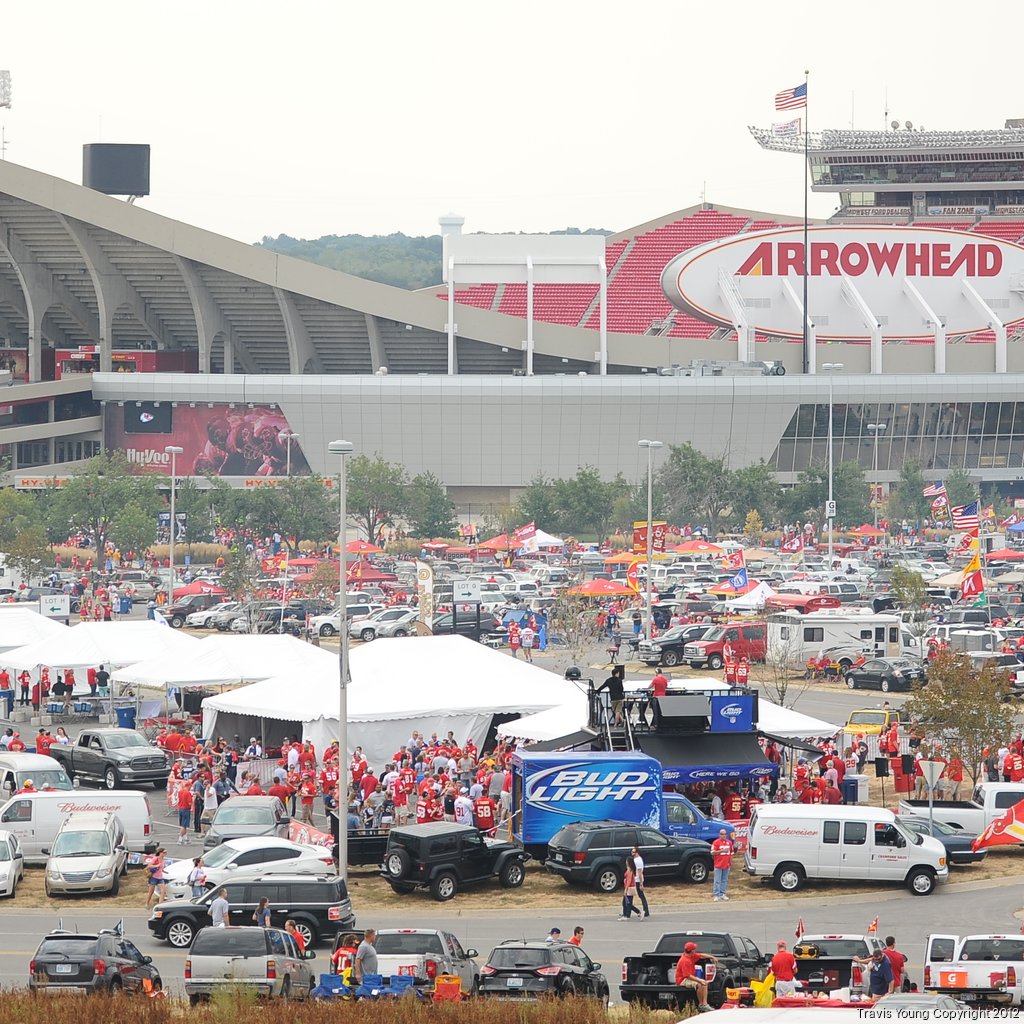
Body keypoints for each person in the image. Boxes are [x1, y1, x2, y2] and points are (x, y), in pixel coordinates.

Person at [674, 940, 715, 1013]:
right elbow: (687, 976)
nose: (695, 950)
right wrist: (699, 980)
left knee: (704, 983)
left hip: (689, 977)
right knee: (699, 984)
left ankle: (705, 1004)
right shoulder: (684, 960)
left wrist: (712, 957)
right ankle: (701, 1004)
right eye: (694, 949)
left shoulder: (691, 956)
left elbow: (701, 955)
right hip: (682, 980)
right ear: (691, 951)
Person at [710, 828, 734, 902]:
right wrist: (721, 851)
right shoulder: (716, 843)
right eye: (722, 834)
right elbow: (712, 852)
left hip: (726, 864)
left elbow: (731, 853)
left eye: (725, 834)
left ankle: (722, 893)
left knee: (724, 880)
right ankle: (716, 895)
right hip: (718, 864)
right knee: (717, 880)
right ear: (719, 835)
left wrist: (730, 862)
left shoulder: (729, 843)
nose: (724, 835)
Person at [630, 844, 651, 919]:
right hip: (635, 880)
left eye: (633, 852)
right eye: (631, 852)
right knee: (636, 896)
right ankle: (628, 910)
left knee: (640, 895)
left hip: (637, 880)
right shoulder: (635, 860)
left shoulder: (638, 861)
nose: (632, 853)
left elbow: (639, 872)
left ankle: (646, 910)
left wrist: (641, 884)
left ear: (637, 853)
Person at [618, 856, 642, 921]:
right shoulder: (629, 869)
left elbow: (629, 880)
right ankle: (635, 912)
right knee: (627, 902)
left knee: (627, 902)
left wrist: (626, 889)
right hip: (629, 887)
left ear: (628, 862)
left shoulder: (629, 870)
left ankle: (626, 915)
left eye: (626, 861)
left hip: (629, 888)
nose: (625, 862)